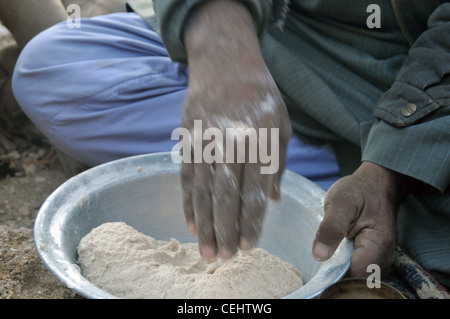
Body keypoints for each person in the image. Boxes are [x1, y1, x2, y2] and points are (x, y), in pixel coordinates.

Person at [10, 0, 450, 288]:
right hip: (265, 37)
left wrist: (387, 171)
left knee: (424, 215)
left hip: (390, 91)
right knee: (49, 65)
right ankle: (276, 156)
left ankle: (350, 170)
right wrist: (219, 40)